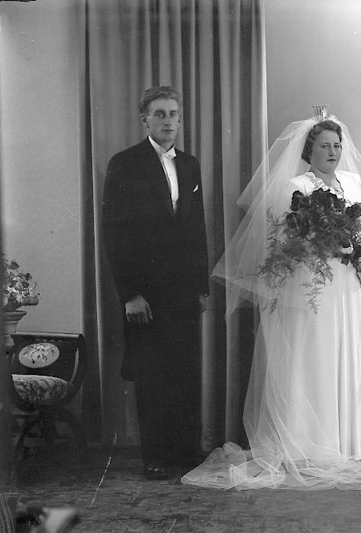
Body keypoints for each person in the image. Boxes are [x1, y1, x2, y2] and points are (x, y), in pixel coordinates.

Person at [182, 113, 361, 490]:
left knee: (347, 354)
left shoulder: (352, 183)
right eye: (324, 146)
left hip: (349, 286)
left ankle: (350, 443)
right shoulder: (298, 186)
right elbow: (286, 241)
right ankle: (311, 444)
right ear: (309, 151)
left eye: (337, 146)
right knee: (316, 356)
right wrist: (325, 244)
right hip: (314, 287)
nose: (332, 152)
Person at [101, 86, 209, 480]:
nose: (168, 121)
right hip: (144, 291)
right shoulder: (124, 163)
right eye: (160, 114)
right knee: (152, 376)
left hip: (184, 290)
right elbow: (113, 232)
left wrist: (201, 287)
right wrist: (130, 294)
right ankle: (156, 456)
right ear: (144, 119)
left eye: (173, 114)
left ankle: (186, 451)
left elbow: (197, 228)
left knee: (185, 372)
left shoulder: (190, 164)